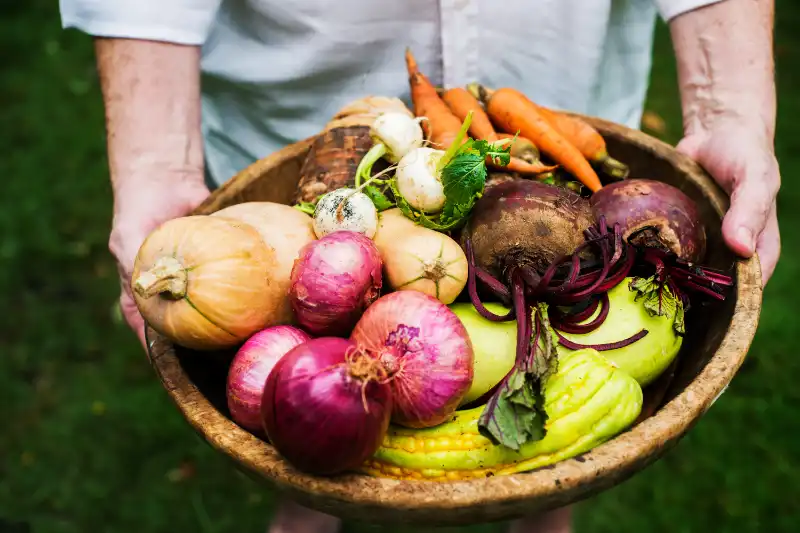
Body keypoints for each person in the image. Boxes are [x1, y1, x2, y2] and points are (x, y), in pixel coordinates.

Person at [58, 0, 780, 532]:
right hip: (310, 147)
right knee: (288, 361)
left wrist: (729, 110)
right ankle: (303, 487)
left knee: (550, 403)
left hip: (562, 130)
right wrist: (157, 161)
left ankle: (544, 506)